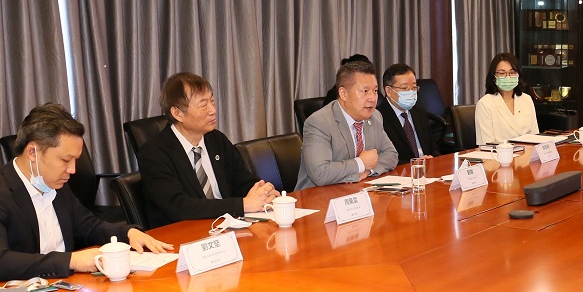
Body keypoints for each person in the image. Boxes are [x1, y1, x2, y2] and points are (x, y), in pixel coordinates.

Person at [0, 103, 172, 282]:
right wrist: (71, 260)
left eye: (75, 160)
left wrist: (127, 233)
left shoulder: (55, 184)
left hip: (60, 289)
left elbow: (88, 226)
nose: (72, 170)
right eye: (65, 160)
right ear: (32, 152)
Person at [138, 72, 280, 228]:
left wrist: (263, 192)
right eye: (203, 105)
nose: (212, 110)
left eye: (212, 101)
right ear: (177, 113)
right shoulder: (154, 153)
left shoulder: (216, 139)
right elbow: (179, 207)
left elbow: (242, 180)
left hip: (226, 228)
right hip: (183, 233)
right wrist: (243, 205)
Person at [296, 61, 398, 190]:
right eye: (365, 91)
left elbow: (391, 154)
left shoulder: (375, 117)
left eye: (375, 91)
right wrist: (361, 163)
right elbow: (320, 173)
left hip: (357, 191)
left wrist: (367, 171)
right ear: (343, 94)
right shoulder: (319, 122)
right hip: (318, 196)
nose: (373, 98)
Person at [376, 63, 440, 164]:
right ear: (388, 91)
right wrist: (414, 163)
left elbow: (432, 147)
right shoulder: (378, 118)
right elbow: (382, 158)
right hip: (402, 170)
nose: (411, 92)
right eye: (404, 88)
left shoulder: (419, 112)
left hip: (427, 167)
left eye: (414, 87)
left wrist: (433, 158)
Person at [475, 52, 539, 145]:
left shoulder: (526, 99)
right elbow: (486, 145)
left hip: (528, 152)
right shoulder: (485, 104)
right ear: (494, 77)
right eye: (502, 73)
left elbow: (535, 136)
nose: (508, 77)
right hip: (499, 153)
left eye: (512, 72)